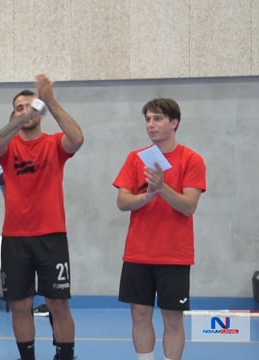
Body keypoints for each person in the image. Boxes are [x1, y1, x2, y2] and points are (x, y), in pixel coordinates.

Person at [0, 74, 84, 360]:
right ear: (13, 114)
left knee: (58, 303)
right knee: (20, 305)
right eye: (19, 107)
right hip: (16, 238)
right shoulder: (7, 149)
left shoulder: (54, 144)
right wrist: (24, 114)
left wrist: (49, 101)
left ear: (40, 112)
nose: (25, 111)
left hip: (51, 235)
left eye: (30, 107)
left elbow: (77, 138)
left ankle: (65, 355)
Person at [113, 98, 206, 360]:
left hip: (174, 254)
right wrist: (148, 196)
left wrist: (162, 187)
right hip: (138, 253)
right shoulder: (135, 159)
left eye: (157, 119)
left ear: (174, 123)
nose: (150, 125)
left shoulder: (192, 160)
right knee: (140, 314)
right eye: (148, 119)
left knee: (172, 318)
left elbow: (188, 206)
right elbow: (122, 201)